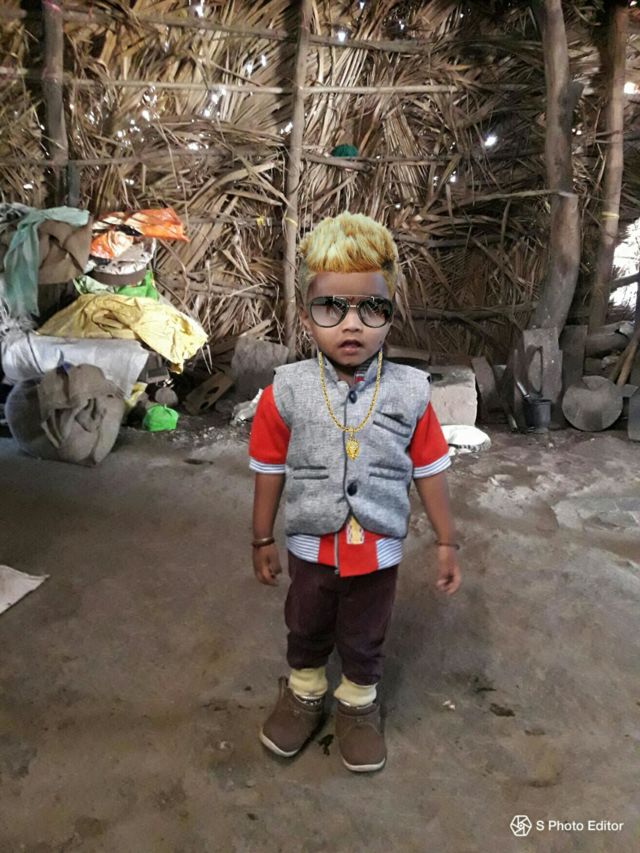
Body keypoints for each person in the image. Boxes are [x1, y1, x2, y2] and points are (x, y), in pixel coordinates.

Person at [248, 211, 461, 773]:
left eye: (372, 309)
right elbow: (268, 468)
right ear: (305, 315)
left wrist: (447, 540)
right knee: (306, 619)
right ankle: (304, 690)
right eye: (330, 308)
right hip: (311, 543)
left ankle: (358, 701)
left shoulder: (411, 392)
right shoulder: (286, 391)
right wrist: (260, 537)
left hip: (378, 546)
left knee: (367, 629)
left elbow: (430, 469)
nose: (351, 325)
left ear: (391, 314)